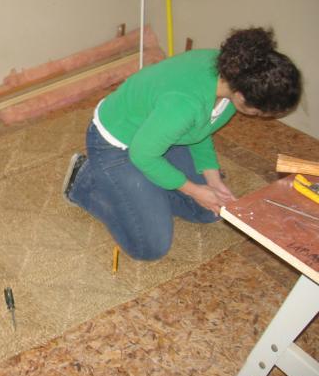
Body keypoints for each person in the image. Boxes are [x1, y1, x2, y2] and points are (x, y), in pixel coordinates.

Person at [62, 27, 302, 261]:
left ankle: (146, 187)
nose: (258, 116)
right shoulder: (184, 104)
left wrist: (213, 180)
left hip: (162, 134)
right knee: (150, 246)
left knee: (209, 211)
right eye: (258, 113)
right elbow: (143, 155)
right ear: (240, 96)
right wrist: (193, 190)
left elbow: (201, 129)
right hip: (115, 144)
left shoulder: (232, 72)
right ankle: (85, 180)